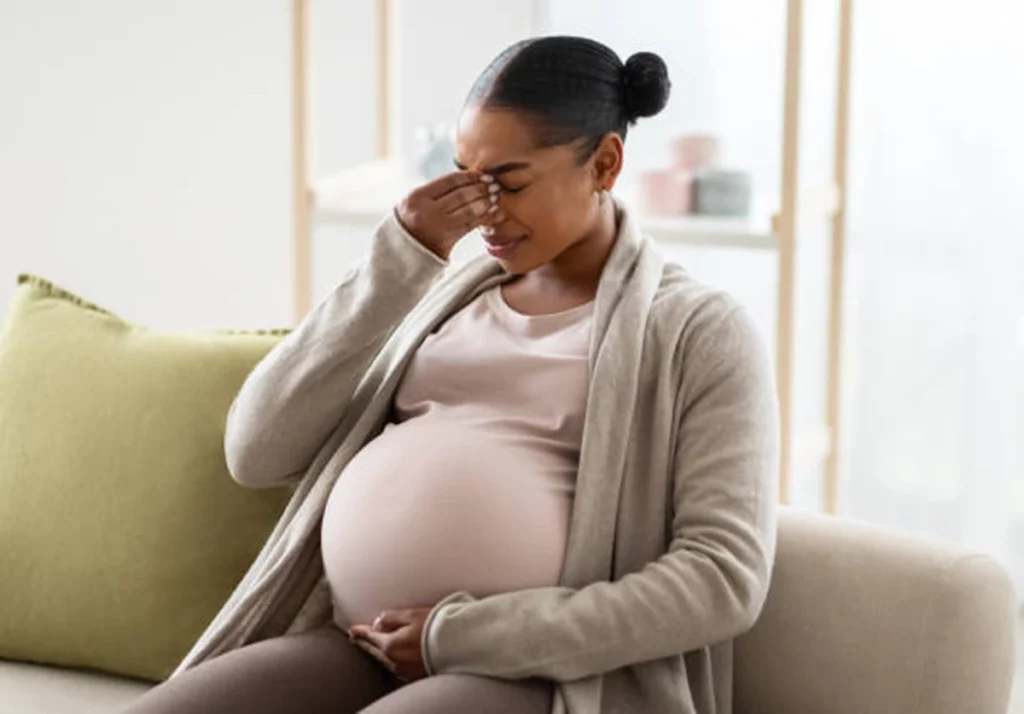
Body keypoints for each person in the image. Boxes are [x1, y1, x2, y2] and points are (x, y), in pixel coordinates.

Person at [122, 35, 778, 714]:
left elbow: (721, 579)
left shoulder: (700, 331)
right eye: (468, 177)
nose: (484, 209)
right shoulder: (443, 293)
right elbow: (255, 451)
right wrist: (400, 256)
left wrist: (455, 637)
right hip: (359, 646)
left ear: (605, 163)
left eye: (510, 181)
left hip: (540, 682)